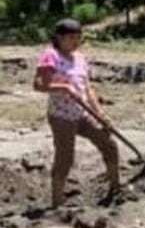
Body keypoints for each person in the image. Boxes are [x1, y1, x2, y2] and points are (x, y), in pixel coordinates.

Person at [32, 18, 121, 208]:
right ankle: (57, 203)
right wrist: (63, 86)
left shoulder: (80, 58)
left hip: (82, 113)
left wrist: (101, 114)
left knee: (109, 144)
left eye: (78, 37)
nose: (76, 41)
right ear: (59, 37)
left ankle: (116, 189)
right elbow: (39, 85)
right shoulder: (51, 55)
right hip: (62, 116)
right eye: (71, 37)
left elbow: (87, 89)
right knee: (65, 158)